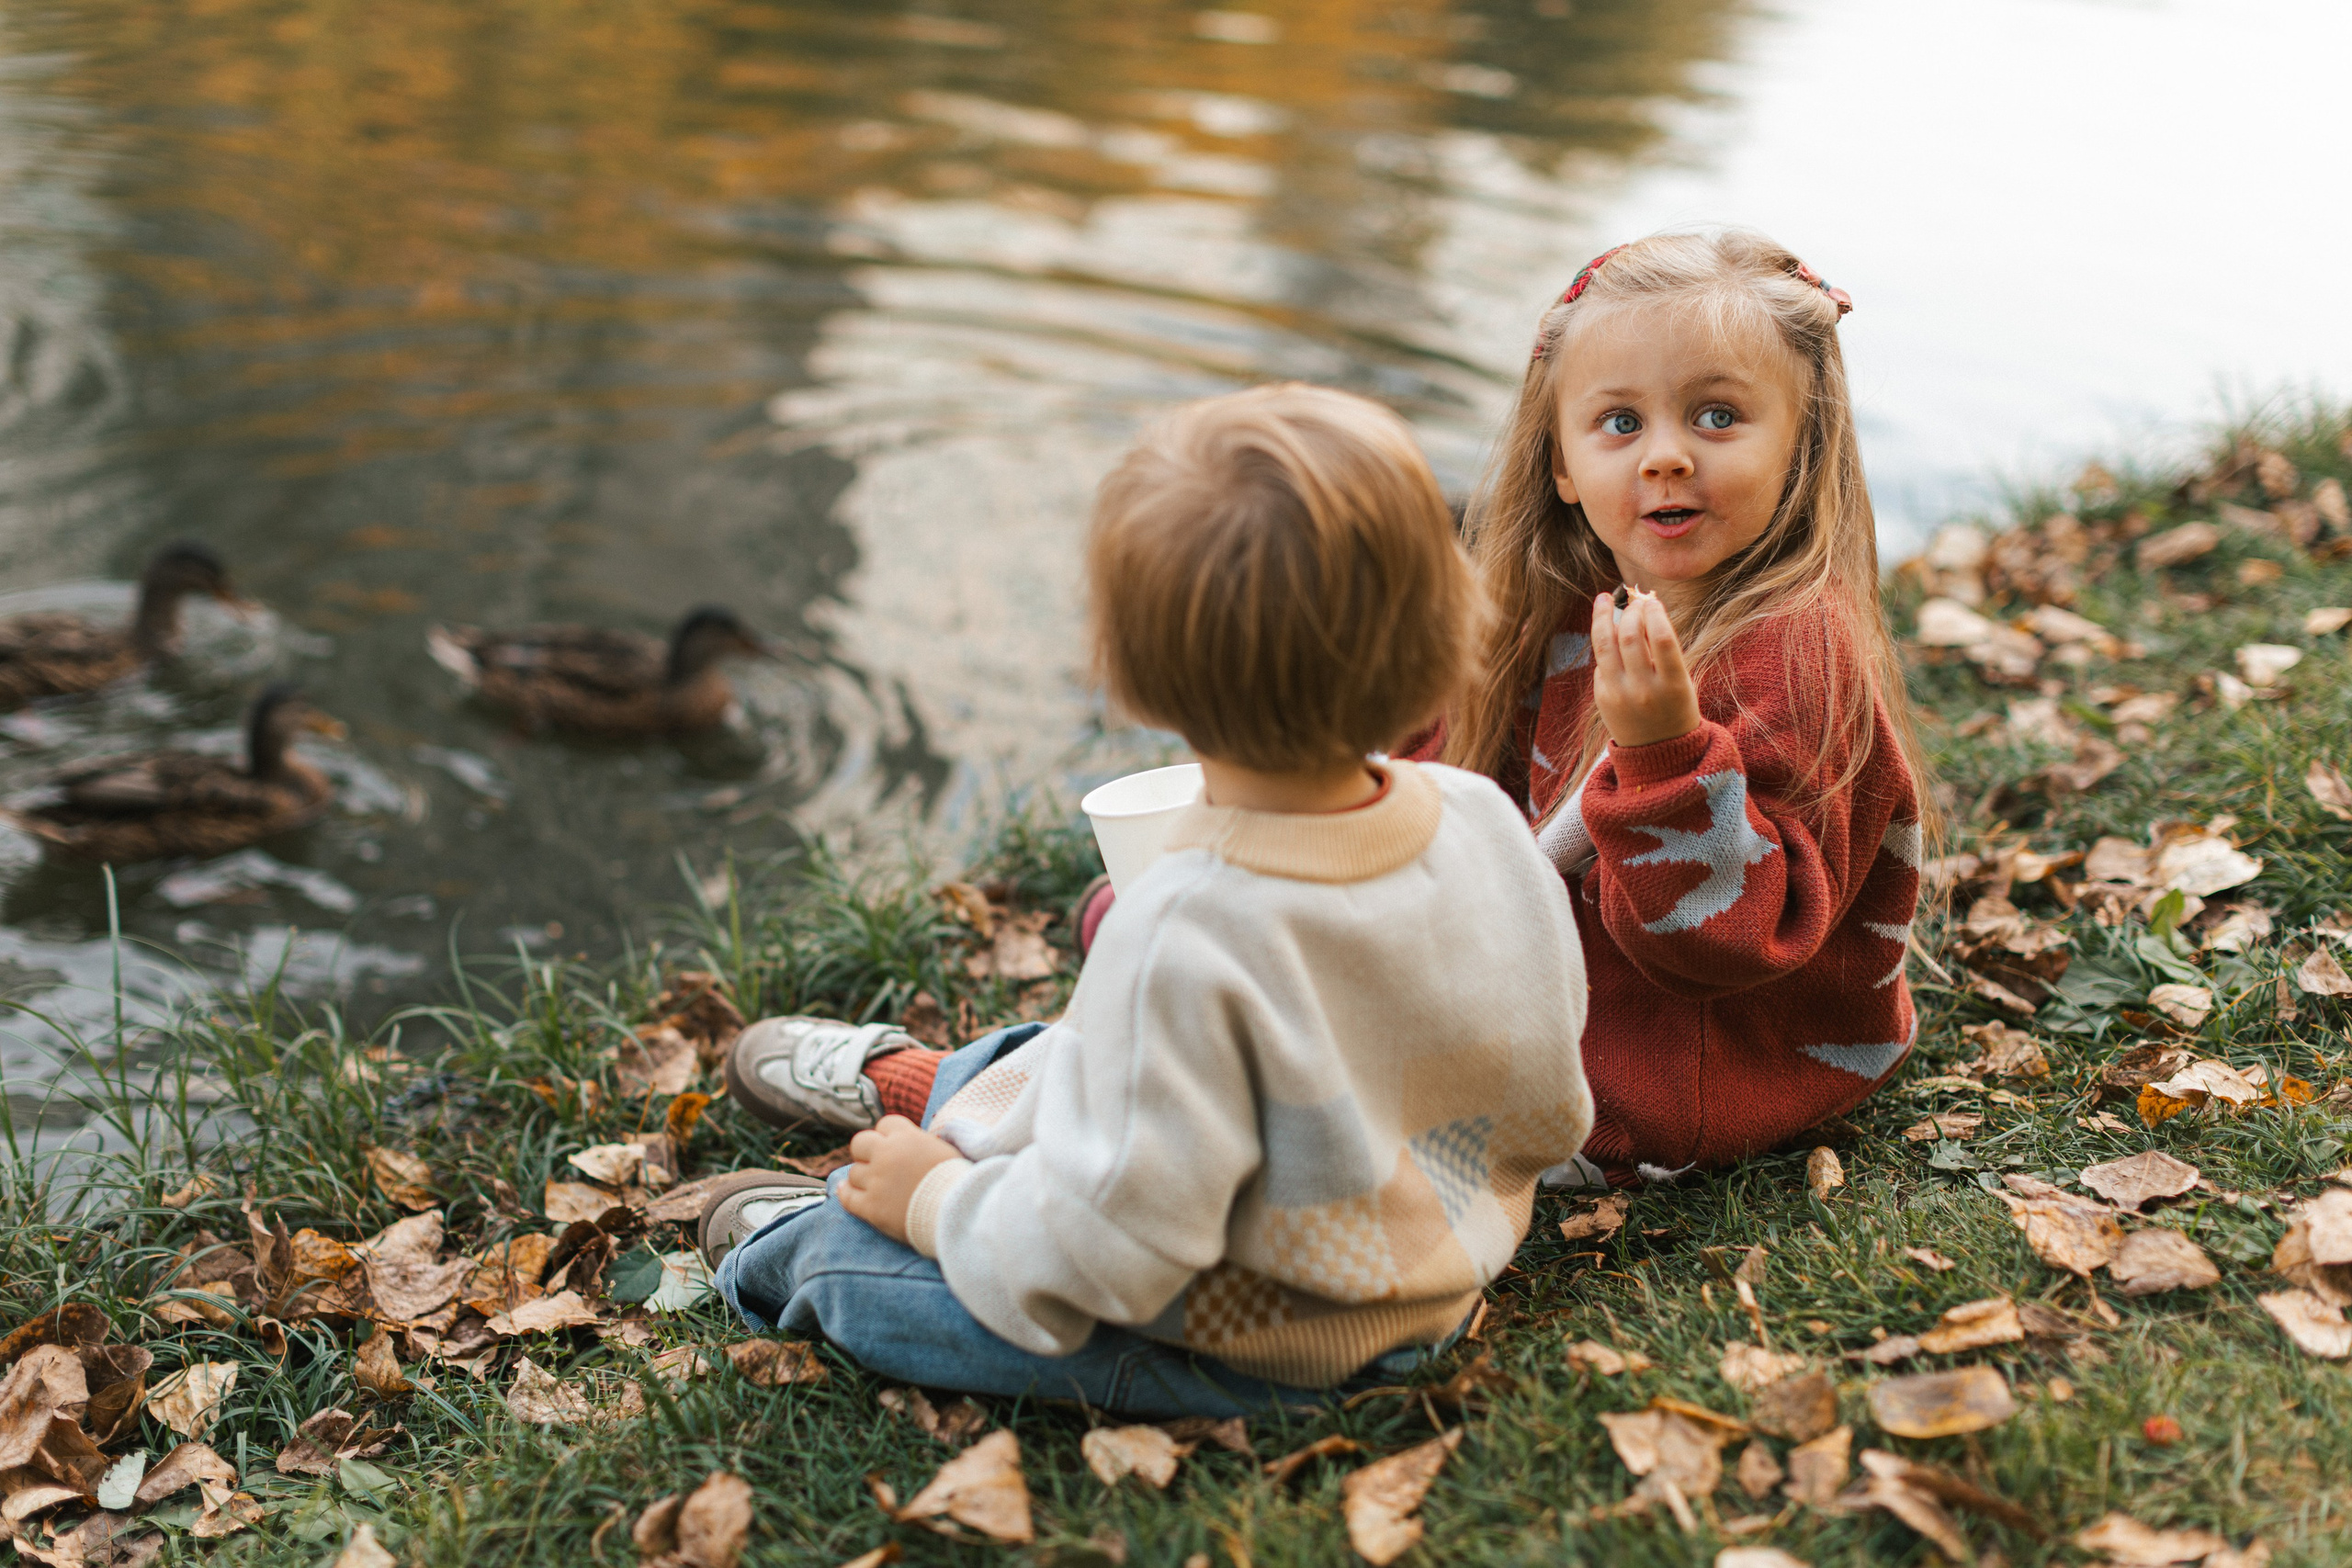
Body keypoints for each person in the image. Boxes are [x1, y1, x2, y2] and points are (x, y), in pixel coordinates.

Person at [699, 383, 1591, 1416]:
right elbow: (1551, 1102)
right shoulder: (1478, 814)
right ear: (1449, 615)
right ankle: (935, 1099)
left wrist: (933, 1206)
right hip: (1442, 1258)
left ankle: (805, 1237)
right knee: (1052, 1051)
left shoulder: (1185, 928)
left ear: (1131, 672)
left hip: (1282, 1337)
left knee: (853, 1267)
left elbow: (1108, 1259)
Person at [1418, 228, 1928, 1185]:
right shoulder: (1567, 598)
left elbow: (1731, 943)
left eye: (1716, 417)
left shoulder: (1795, 653)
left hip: (1680, 1081)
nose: (1663, 458)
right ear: (1561, 463)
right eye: (1619, 424)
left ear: (1801, 443)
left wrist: (1663, 757)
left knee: (1310, 1116)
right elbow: (1456, 768)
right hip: (1565, 1009)